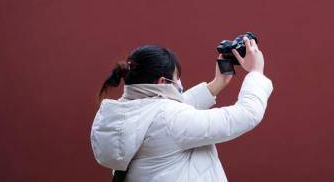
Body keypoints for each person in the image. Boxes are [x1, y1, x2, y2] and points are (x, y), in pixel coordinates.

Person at [90, 36, 273, 182]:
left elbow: (166, 114)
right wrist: (256, 72)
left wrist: (216, 84)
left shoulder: (125, 114)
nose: (179, 82)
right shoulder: (169, 119)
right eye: (177, 77)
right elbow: (246, 114)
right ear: (162, 82)